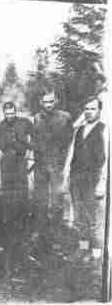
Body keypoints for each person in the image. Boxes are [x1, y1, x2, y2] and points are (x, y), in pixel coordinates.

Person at [63, 97, 108, 259]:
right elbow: (71, 154)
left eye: (93, 108)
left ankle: (96, 253)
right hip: (76, 178)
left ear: (99, 111)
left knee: (93, 216)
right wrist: (67, 175)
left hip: (92, 179)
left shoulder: (104, 130)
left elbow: (106, 159)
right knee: (79, 215)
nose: (89, 112)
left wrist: (102, 183)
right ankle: (83, 248)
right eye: (87, 108)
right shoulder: (79, 130)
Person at [31, 88, 73, 223]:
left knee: (57, 199)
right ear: (41, 102)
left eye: (51, 101)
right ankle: (42, 230)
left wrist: (65, 164)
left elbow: (70, 142)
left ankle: (57, 229)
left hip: (57, 165)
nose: (48, 104)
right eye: (45, 102)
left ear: (56, 101)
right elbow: (34, 140)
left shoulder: (65, 117)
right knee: (40, 198)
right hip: (40, 165)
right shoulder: (37, 118)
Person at [0, 102, 33, 204]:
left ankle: (22, 214)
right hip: (7, 159)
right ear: (4, 113)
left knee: (22, 188)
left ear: (15, 112)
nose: (10, 116)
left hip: (20, 159)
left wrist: (29, 149)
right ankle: (8, 215)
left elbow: (34, 135)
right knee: (7, 188)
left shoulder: (24, 122)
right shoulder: (0, 126)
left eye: (12, 113)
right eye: (7, 114)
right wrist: (4, 145)